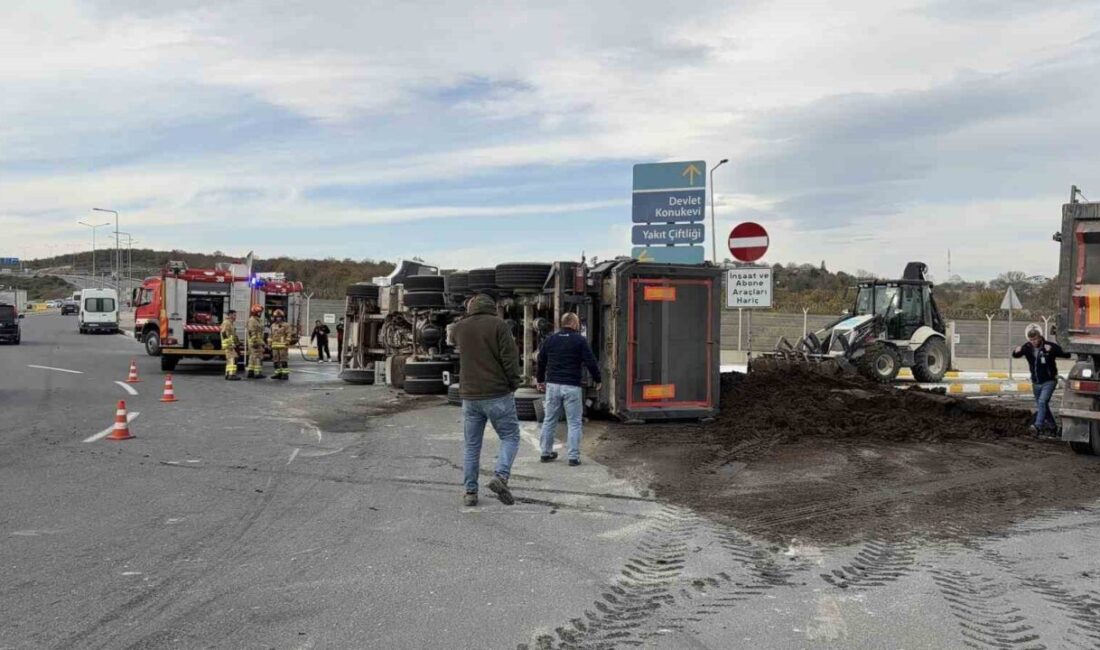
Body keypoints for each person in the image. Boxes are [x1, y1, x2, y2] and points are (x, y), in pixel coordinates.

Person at [452, 293, 522, 507]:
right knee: (510, 436)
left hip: (470, 395)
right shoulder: (499, 325)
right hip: (497, 393)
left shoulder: (459, 328)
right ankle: (500, 477)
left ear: (471, 307)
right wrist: (514, 383)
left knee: (472, 445)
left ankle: (470, 492)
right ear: (492, 307)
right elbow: (509, 358)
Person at [537, 313, 602, 466]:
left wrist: (540, 380)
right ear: (573, 323)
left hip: (553, 386)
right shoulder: (579, 340)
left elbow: (541, 361)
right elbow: (590, 361)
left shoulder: (550, 339)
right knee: (574, 422)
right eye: (578, 322)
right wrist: (598, 379)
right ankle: (573, 457)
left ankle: (545, 453)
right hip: (572, 386)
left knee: (549, 420)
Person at [1012, 326, 1069, 435]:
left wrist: (1052, 351)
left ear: (1040, 337)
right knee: (1043, 406)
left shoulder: (1049, 346)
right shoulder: (1027, 347)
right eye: (1031, 340)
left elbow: (1067, 354)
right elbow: (1016, 355)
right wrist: (1015, 351)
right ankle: (1053, 427)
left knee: (1042, 402)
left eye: (1035, 339)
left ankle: (1038, 426)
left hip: (1049, 381)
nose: (1034, 342)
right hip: (1036, 383)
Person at [219, 310, 241, 381]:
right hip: (229, 345)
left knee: (231, 358)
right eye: (234, 315)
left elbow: (233, 335)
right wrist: (230, 344)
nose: (235, 317)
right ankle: (232, 374)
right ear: (230, 315)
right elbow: (224, 333)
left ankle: (228, 374)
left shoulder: (230, 323)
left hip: (230, 344)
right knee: (232, 358)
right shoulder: (226, 323)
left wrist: (237, 342)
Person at [270, 309, 292, 380]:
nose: (278, 318)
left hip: (283, 345)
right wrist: (269, 343)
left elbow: (289, 334)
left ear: (282, 317)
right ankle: (277, 373)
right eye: (276, 317)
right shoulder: (272, 325)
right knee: (275, 360)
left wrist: (287, 341)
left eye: (279, 317)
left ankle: (285, 374)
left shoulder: (286, 325)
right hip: (274, 346)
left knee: (283, 360)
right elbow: (270, 335)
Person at [246, 304, 266, 379]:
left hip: (257, 341)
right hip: (255, 342)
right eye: (259, 312)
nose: (260, 313)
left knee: (252, 357)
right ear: (255, 312)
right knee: (258, 357)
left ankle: (250, 372)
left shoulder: (257, 320)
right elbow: (252, 332)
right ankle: (258, 373)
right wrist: (255, 342)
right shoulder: (252, 320)